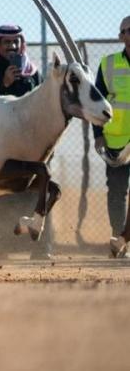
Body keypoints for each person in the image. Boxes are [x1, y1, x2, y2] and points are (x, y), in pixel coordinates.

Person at [0, 25, 51, 260]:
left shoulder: (33, 72)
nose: (12, 47)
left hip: (29, 146)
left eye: (15, 42)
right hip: (0, 146)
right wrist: (5, 85)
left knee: (37, 192)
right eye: (6, 42)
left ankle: (39, 249)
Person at [94, 16, 130, 255]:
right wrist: (98, 134)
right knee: (117, 193)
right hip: (117, 142)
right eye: (126, 30)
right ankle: (119, 239)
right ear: (120, 37)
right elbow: (97, 104)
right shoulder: (108, 64)